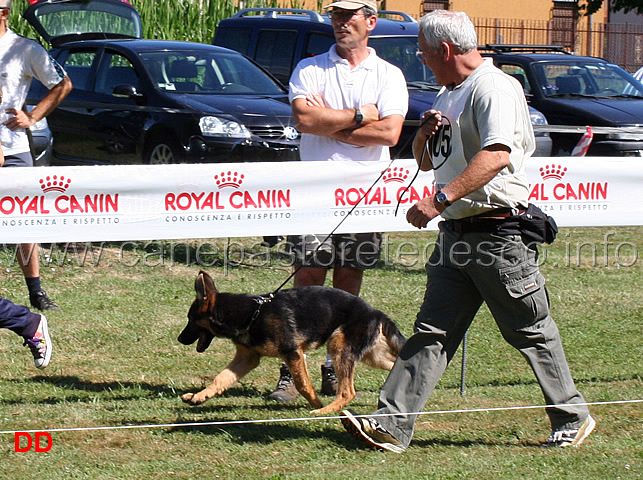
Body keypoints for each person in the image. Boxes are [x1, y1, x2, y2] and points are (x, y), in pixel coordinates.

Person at [340, 10, 594, 452]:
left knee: (531, 330)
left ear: (446, 50)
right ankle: (392, 425)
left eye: (424, 54)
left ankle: (572, 416)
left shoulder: (494, 87)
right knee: (432, 332)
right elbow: (425, 161)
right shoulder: (449, 91)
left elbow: (496, 155)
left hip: (497, 234)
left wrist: (438, 201)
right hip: (457, 235)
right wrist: (424, 134)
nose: (423, 62)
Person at [267, 0, 408, 403]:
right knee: (306, 281)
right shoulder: (309, 68)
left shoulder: (388, 74)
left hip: (365, 195)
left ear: (371, 22)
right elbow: (305, 120)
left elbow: (391, 133)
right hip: (314, 192)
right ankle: (291, 373)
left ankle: (334, 369)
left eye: (350, 16)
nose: (341, 24)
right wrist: (362, 116)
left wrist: (334, 123)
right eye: (335, 16)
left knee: (349, 282)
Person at [0, 0, 72, 311]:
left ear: (4, 13)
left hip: (13, 149)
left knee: (24, 222)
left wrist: (32, 117)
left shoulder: (24, 49)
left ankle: (36, 291)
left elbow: (62, 84)